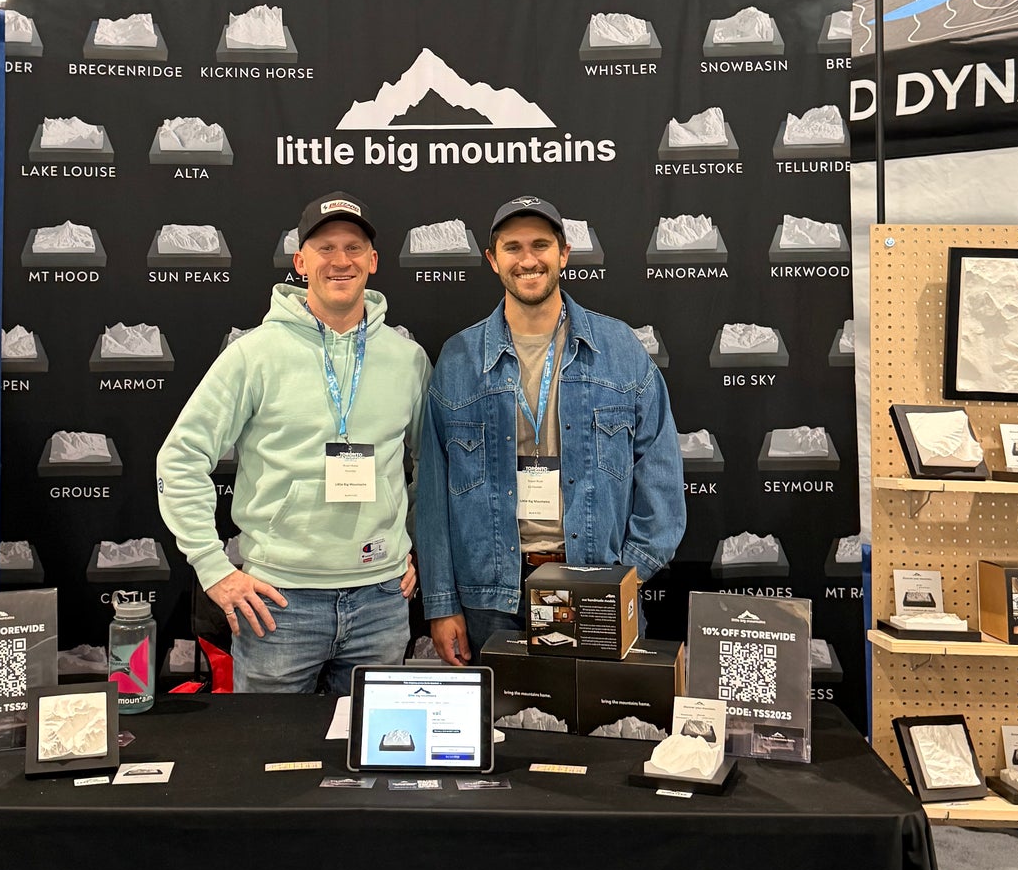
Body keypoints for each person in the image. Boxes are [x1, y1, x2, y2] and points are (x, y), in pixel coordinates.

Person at [157, 193, 430, 692]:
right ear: (301, 262)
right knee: (269, 761)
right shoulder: (254, 355)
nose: (340, 260)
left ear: (373, 261)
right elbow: (180, 458)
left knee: (370, 764)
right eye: (325, 248)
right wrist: (215, 570)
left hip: (381, 603)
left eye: (353, 247)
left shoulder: (408, 360)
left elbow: (426, 466)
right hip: (279, 605)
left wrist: (411, 549)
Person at [417, 195, 686, 662]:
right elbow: (434, 493)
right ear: (492, 259)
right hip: (490, 600)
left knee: (602, 731)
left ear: (563, 253)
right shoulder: (458, 361)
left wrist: (627, 576)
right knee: (503, 731)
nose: (528, 259)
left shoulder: (619, 349)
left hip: (596, 587)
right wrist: (442, 604)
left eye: (541, 245)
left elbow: (661, 470)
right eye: (512, 247)